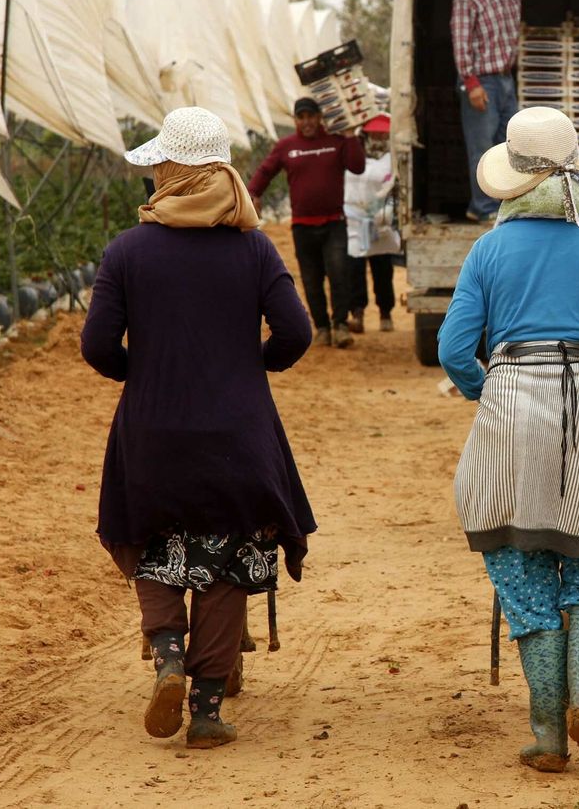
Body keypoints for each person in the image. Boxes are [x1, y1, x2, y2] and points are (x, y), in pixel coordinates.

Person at [83, 107, 315, 749]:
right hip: (237, 431)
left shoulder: (127, 251)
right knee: (228, 558)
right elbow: (296, 332)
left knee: (155, 538)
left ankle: (167, 657)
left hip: (152, 426)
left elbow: (98, 344)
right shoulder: (253, 247)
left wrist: (144, 370)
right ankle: (208, 712)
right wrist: (252, 367)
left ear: (173, 173)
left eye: (159, 164)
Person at [439, 106, 579, 773]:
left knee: (519, 560)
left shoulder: (489, 247)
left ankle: (549, 733)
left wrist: (489, 390)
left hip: (509, 402)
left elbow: (453, 350)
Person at [451, 0, 569, 221]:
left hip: (505, 79)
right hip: (481, 79)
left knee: (510, 143)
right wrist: (471, 83)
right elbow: (461, 41)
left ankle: (502, 204)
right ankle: (483, 208)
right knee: (481, 146)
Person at [248, 97, 366, 347]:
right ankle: (322, 328)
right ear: (295, 120)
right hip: (302, 225)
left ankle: (341, 326)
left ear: (320, 117)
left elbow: (357, 166)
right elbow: (265, 172)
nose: (307, 122)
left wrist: (350, 136)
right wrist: (252, 194)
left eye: (311, 116)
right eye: (301, 117)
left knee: (338, 274)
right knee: (311, 280)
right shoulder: (286, 146)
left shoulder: (336, 140)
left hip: (334, 222)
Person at [344, 113, 399, 333]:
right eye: (374, 133)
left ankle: (386, 313)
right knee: (354, 268)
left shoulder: (392, 159)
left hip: (380, 220)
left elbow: (396, 188)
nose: (378, 137)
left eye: (382, 133)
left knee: (382, 268)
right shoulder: (353, 155)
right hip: (353, 219)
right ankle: (357, 313)